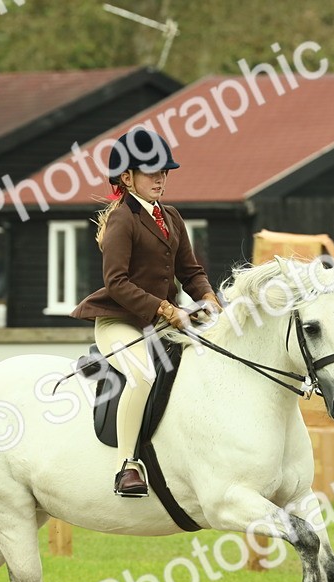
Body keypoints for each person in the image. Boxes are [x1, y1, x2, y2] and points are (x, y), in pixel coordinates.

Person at [71, 128, 221, 497]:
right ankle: (128, 466)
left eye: (164, 171)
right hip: (119, 321)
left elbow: (191, 272)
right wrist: (165, 308)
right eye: (152, 171)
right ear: (127, 177)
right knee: (143, 376)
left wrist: (209, 298)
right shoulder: (123, 219)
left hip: (161, 320)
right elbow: (117, 282)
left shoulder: (170, 216)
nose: (160, 178)